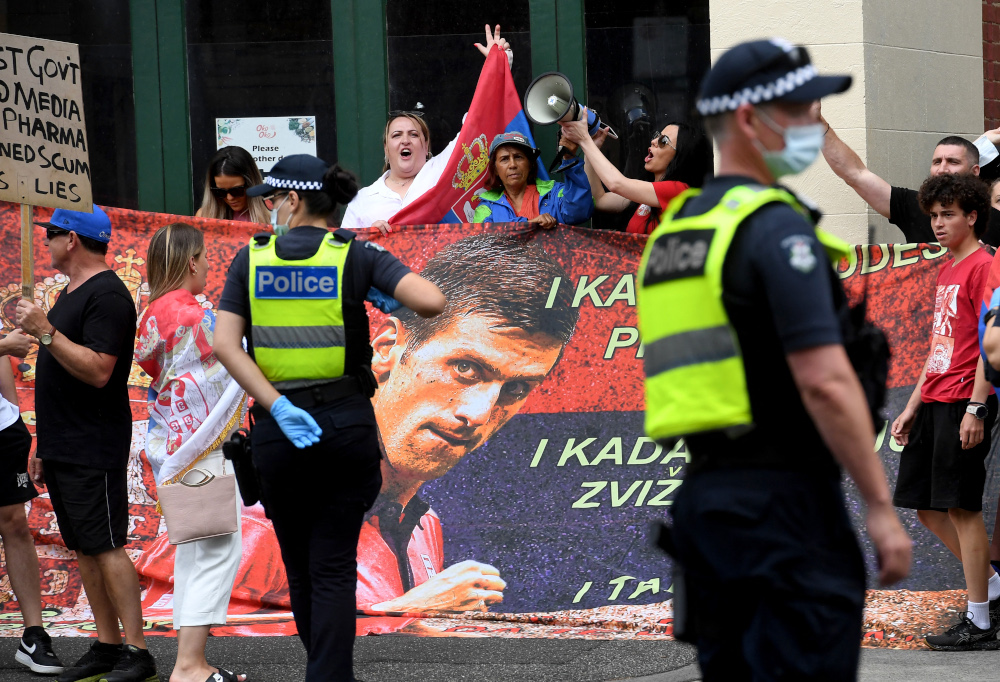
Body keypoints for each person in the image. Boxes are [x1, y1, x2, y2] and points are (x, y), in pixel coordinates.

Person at [135, 234, 580, 635]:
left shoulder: (424, 525)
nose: (479, 414)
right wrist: (399, 613)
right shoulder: (250, 509)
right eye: (465, 368)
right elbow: (165, 640)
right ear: (386, 349)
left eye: (516, 389)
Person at [638, 38, 911, 680]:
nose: (813, 121)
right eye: (799, 108)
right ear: (748, 119)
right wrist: (878, 504)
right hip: (785, 507)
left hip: (707, 506)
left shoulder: (676, 233)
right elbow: (824, 380)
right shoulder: (774, 228)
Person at [212, 153, 445, 682]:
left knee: (299, 566)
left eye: (273, 199)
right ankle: (330, 676)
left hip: (279, 429)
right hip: (345, 426)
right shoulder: (353, 255)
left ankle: (325, 672)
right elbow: (431, 300)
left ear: (293, 199)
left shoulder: (251, 260)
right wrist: (377, 278)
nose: (270, 208)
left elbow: (226, 345)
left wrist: (278, 405)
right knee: (335, 565)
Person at [15, 206, 157, 682]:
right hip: (64, 442)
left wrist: (44, 330)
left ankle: (138, 652)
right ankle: (108, 645)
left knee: (107, 545)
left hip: (93, 442)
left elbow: (98, 370)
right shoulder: (72, 292)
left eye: (51, 235)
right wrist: (44, 441)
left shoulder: (108, 295)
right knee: (85, 547)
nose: (47, 243)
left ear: (72, 239)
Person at [891, 173, 1000, 650]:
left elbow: (989, 348)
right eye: (934, 216)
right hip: (935, 400)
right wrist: (912, 405)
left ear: (972, 216)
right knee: (926, 508)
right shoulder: (947, 269)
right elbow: (940, 345)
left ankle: (981, 621)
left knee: (962, 508)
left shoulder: (984, 266)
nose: (938, 223)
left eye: (948, 215)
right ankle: (992, 585)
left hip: (963, 401)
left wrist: (976, 406)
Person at [134, 223, 247, 682]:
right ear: (190, 261)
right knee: (216, 552)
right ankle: (189, 665)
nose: (206, 265)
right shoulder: (198, 318)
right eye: (202, 256)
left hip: (171, 444)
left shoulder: (151, 315)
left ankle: (189, 660)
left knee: (193, 555)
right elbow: (236, 363)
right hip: (203, 446)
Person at [341, 24, 512, 234]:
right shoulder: (363, 200)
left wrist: (496, 67)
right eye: (396, 135)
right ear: (386, 148)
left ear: (426, 145)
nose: (405, 140)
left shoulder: (443, 171)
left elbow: (477, 125)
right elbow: (343, 247)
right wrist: (366, 235)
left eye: (413, 134)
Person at [821, 111, 1000, 244]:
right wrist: (817, 124)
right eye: (937, 162)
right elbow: (855, 174)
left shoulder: (995, 220)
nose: (942, 169)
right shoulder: (913, 205)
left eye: (953, 162)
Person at [0, 329, 65, 674]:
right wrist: (3, 346)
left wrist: (13, 414)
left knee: (14, 523)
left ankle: (33, 635)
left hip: (2, 427)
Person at [559, 112, 711, 234]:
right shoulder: (647, 194)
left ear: (680, 156)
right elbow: (599, 199)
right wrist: (593, 145)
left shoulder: (679, 191)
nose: (654, 141)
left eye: (663, 141)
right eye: (657, 136)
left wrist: (585, 140)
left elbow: (616, 184)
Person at [472, 132, 593, 226]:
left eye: (518, 157)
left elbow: (580, 212)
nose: (512, 165)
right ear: (495, 170)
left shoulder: (554, 193)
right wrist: (529, 225)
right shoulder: (487, 207)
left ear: (530, 164)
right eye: (504, 159)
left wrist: (569, 159)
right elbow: (483, 240)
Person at [195, 145, 270, 224]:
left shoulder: (272, 216)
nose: (229, 198)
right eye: (221, 192)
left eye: (236, 191)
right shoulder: (204, 216)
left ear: (251, 184)